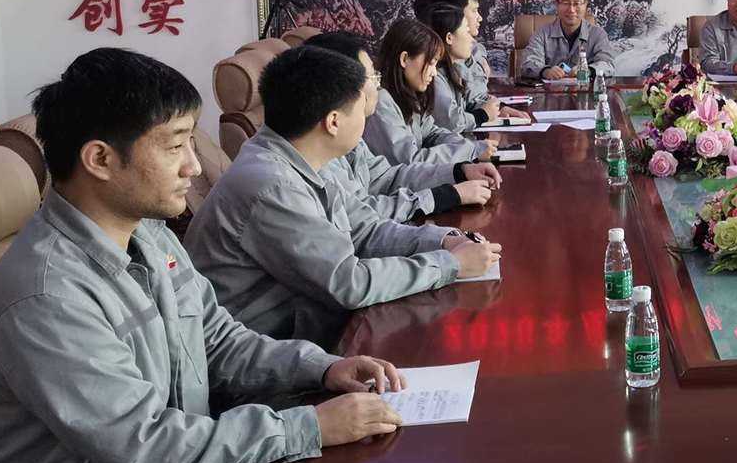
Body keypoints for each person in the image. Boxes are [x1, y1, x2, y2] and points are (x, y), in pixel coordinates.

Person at [0, 48, 409, 463]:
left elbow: (219, 340)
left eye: (192, 142)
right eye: (175, 146)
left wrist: (322, 368)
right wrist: (309, 427)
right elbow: (142, 441)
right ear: (100, 160)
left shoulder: (150, 235)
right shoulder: (46, 295)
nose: (194, 165)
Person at [186, 45, 502, 349]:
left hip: (314, 329)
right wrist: (449, 264)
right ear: (334, 121)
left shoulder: (306, 157)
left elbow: (364, 229)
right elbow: (348, 282)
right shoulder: (273, 184)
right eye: (360, 106)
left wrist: (443, 241)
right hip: (274, 353)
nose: (367, 116)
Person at [306, 30, 503, 222]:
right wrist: (449, 190)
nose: (377, 86)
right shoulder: (323, 154)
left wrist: (459, 171)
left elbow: (385, 178)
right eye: (372, 77)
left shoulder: (405, 99)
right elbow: (363, 218)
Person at [367, 18, 498, 166]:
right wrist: (468, 152)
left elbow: (432, 134)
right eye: (430, 63)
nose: (434, 73)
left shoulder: (408, 95)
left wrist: (468, 147)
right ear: (405, 59)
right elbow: (411, 162)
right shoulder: (381, 102)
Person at [418, 1, 529, 130]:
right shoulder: (433, 76)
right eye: (467, 31)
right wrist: (482, 115)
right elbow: (451, 122)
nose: (472, 40)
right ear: (449, 38)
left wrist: (498, 108)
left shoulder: (456, 68)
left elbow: (470, 101)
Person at [414, 0, 492, 103]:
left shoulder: (468, 49)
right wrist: (485, 111)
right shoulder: (439, 65)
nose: (480, 18)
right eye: (474, 10)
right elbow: (468, 104)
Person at [519, 0, 616, 80]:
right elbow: (528, 64)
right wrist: (545, 71)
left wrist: (588, 70)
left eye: (577, 3)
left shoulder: (598, 34)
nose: (571, 10)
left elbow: (608, 64)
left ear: (586, 5)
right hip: (551, 89)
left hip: (584, 89)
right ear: (556, 5)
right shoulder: (541, 34)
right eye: (565, 3)